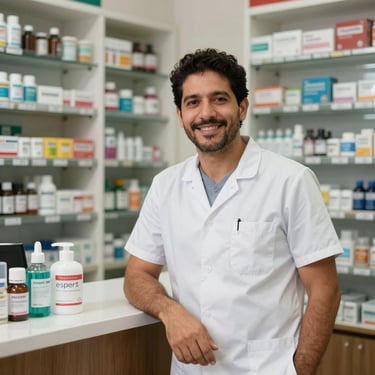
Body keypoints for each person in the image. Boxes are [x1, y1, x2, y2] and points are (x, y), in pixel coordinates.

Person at [123, 48, 342, 375]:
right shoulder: (165, 186)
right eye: (193, 102)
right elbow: (136, 276)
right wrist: (170, 311)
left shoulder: (290, 180)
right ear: (181, 113)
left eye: (219, 99)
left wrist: (301, 370)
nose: (205, 113)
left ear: (242, 108)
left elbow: (325, 290)